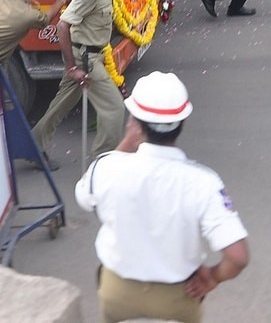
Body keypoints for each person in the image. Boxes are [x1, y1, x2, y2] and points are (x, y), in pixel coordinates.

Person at [76, 72, 249, 323]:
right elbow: (238, 257)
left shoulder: (106, 168)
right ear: (182, 123)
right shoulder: (203, 181)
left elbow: (83, 198)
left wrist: (127, 142)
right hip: (179, 296)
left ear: (134, 122)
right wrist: (212, 277)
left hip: (117, 291)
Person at [31, 0, 130, 167]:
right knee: (114, 108)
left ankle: (33, 145)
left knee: (62, 104)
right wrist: (72, 68)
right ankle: (103, 163)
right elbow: (62, 26)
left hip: (85, 53)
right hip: (86, 60)